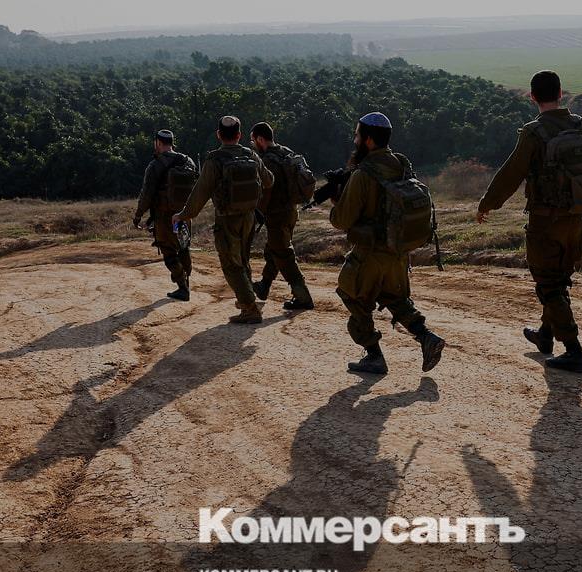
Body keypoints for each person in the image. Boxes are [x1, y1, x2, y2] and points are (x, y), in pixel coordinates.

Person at [476, 70, 582, 373]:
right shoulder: (579, 125)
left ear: (532, 97)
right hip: (575, 220)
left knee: (549, 285)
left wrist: (487, 204)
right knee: (559, 280)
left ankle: (574, 350)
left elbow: (511, 173)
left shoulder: (533, 132)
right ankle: (545, 335)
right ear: (561, 94)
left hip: (545, 223)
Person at [328, 112, 445, 375]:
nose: (355, 140)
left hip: (370, 254)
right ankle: (427, 337)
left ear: (368, 140)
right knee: (395, 298)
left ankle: (373, 354)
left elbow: (342, 220)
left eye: (357, 135)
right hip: (398, 253)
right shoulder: (401, 164)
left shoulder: (363, 174)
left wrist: (337, 202)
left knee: (351, 294)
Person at [174, 116, 274, 324]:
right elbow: (269, 180)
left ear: (219, 134)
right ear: (239, 135)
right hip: (249, 217)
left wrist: (183, 215)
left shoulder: (215, 160)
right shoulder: (251, 155)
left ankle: (250, 308)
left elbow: (200, 192)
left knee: (231, 264)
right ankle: (247, 299)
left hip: (227, 219)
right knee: (243, 260)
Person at [249, 121, 315, 311]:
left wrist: (257, 214)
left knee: (283, 255)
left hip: (277, 215)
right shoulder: (285, 152)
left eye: (253, 140)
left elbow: (266, 191)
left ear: (260, 139)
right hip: (291, 212)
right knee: (274, 251)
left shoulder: (267, 161)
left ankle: (303, 297)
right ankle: (264, 286)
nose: (253, 144)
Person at [132, 129, 196, 301]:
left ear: (158, 143)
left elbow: (146, 195)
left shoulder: (155, 165)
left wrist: (138, 216)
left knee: (168, 250)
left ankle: (182, 287)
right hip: (183, 215)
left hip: (165, 217)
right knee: (183, 246)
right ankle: (186, 281)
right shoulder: (188, 161)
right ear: (172, 142)